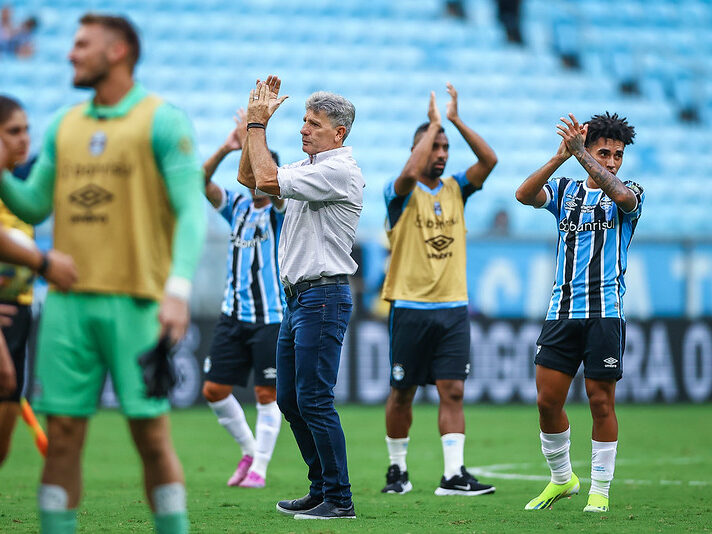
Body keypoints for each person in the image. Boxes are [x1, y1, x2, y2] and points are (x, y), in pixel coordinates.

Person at [0, 14, 205, 533]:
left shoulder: (163, 120)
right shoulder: (65, 124)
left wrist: (177, 291)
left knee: (151, 435)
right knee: (63, 435)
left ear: (117, 52)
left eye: (81, 45)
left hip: (137, 305)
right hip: (68, 307)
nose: (70, 54)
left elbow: (192, 211)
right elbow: (33, 203)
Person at [237, 77, 364, 519]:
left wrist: (257, 128)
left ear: (339, 133)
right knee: (290, 399)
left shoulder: (338, 170)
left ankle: (340, 499)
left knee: (314, 399)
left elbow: (266, 176)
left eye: (313, 123)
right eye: (303, 121)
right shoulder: (310, 168)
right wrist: (254, 130)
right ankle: (321, 488)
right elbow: (249, 177)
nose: (304, 129)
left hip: (323, 296)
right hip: (300, 300)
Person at [515, 112, 642, 513]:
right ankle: (562, 479)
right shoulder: (566, 189)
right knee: (547, 401)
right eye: (604, 152)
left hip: (605, 313)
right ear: (588, 150)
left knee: (600, 402)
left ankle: (600, 491)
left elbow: (622, 199)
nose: (611, 162)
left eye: (617, 155)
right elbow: (523, 195)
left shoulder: (631, 191)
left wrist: (581, 155)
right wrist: (560, 157)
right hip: (561, 311)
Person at [380, 84, 497, 496]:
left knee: (453, 389)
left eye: (445, 146)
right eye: (434, 145)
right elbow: (408, 173)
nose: (442, 153)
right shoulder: (398, 193)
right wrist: (431, 124)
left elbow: (490, 159)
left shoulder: (456, 188)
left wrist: (454, 121)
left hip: (452, 307)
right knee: (402, 393)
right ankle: (397, 471)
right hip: (410, 306)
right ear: (419, 149)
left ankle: (452, 475)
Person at [201, 110, 283, 489]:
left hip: (270, 317)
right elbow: (200, 181)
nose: (253, 177)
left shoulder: (284, 214)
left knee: (267, 394)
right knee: (213, 390)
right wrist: (228, 147)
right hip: (232, 315)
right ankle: (250, 450)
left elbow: (278, 195)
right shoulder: (237, 206)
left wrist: (256, 135)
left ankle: (260, 468)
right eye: (248, 169)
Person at [0, 94, 78, 467]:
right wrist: (43, 261)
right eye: (13, 132)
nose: (24, 139)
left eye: (27, 130)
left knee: (7, 419)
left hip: (21, 305)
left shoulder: (24, 182)